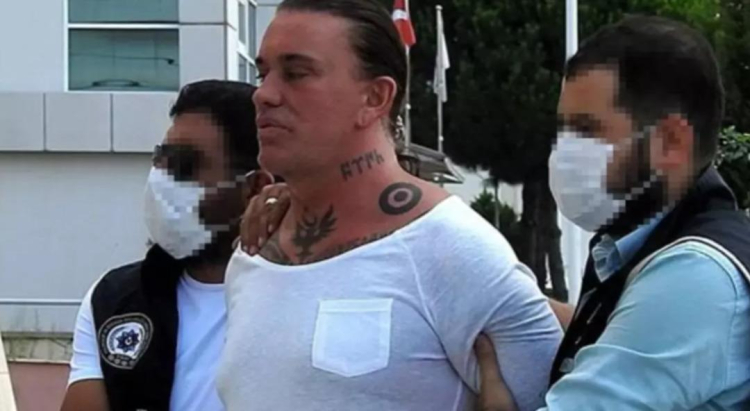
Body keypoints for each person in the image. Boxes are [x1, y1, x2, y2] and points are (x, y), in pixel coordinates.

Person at [216, 1, 563, 411]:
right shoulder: (255, 247)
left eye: (296, 73)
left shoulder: (454, 250)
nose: (263, 94)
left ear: (375, 97)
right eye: (263, 74)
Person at [473, 15, 750, 410]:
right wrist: (509, 301)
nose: (564, 153)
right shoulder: (656, 246)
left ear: (672, 141)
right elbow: (629, 331)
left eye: (587, 130)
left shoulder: (695, 273)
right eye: (563, 130)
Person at [61, 80, 271, 411]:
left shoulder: (296, 294)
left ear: (254, 187)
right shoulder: (116, 299)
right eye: (161, 160)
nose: (162, 181)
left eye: (185, 166)